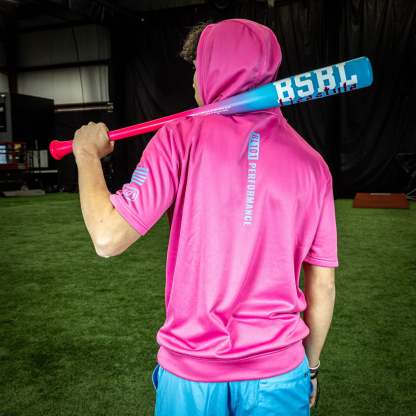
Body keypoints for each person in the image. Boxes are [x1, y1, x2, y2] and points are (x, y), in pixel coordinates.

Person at [73, 18, 338, 416]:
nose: (195, 78)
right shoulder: (312, 165)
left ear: (216, 67)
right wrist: (311, 367)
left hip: (192, 378)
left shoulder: (177, 138)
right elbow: (323, 286)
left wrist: (85, 155)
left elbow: (107, 237)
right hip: (280, 376)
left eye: (198, 65)